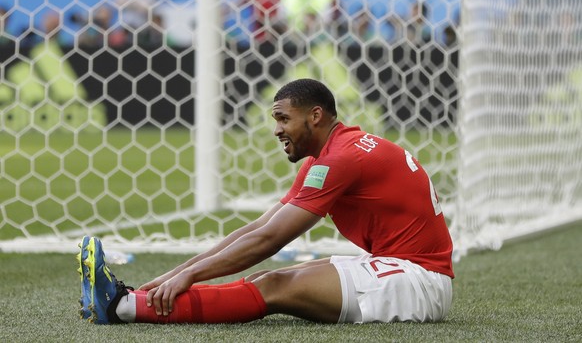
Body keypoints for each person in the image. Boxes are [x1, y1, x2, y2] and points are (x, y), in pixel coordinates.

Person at [78, 78, 454, 325]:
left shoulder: (342, 159)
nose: (277, 130)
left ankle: (123, 308)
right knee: (265, 280)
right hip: (396, 265)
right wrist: (167, 278)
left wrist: (189, 275)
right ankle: (134, 299)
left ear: (315, 116)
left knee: (274, 286)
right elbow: (259, 226)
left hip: (419, 281)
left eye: (283, 119)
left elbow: (269, 241)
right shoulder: (333, 154)